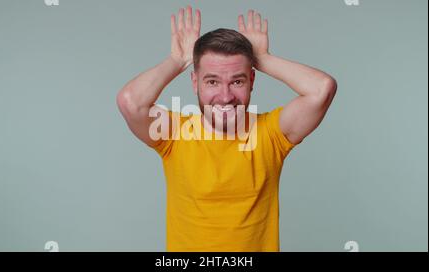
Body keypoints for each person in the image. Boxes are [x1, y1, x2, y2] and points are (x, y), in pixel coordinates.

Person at [116, 5, 337, 252]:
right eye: (212, 81)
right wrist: (178, 60)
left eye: (237, 81)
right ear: (195, 82)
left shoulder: (270, 133)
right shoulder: (174, 133)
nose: (225, 96)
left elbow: (322, 89)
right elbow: (130, 102)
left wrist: (263, 59)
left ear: (252, 81)